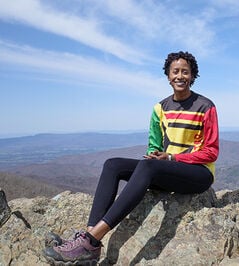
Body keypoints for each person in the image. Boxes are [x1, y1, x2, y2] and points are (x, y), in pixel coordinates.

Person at [43, 51, 219, 265]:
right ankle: (89, 242)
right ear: (168, 76)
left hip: (198, 174)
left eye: (185, 72)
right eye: (175, 72)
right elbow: (155, 144)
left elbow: (211, 151)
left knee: (149, 167)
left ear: (192, 76)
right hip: (167, 169)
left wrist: (171, 158)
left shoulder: (205, 106)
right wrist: (155, 154)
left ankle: (89, 241)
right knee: (113, 165)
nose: (180, 76)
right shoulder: (160, 108)